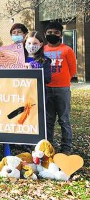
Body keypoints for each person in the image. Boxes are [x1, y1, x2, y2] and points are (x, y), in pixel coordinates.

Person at [43, 21, 76, 154]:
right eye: (50, 32)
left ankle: (66, 148)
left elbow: (72, 70)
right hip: (46, 88)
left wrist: (63, 82)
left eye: (56, 33)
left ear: (61, 35)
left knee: (64, 120)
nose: (53, 35)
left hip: (62, 89)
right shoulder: (43, 50)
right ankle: (49, 147)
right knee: (48, 120)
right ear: (45, 34)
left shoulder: (67, 50)